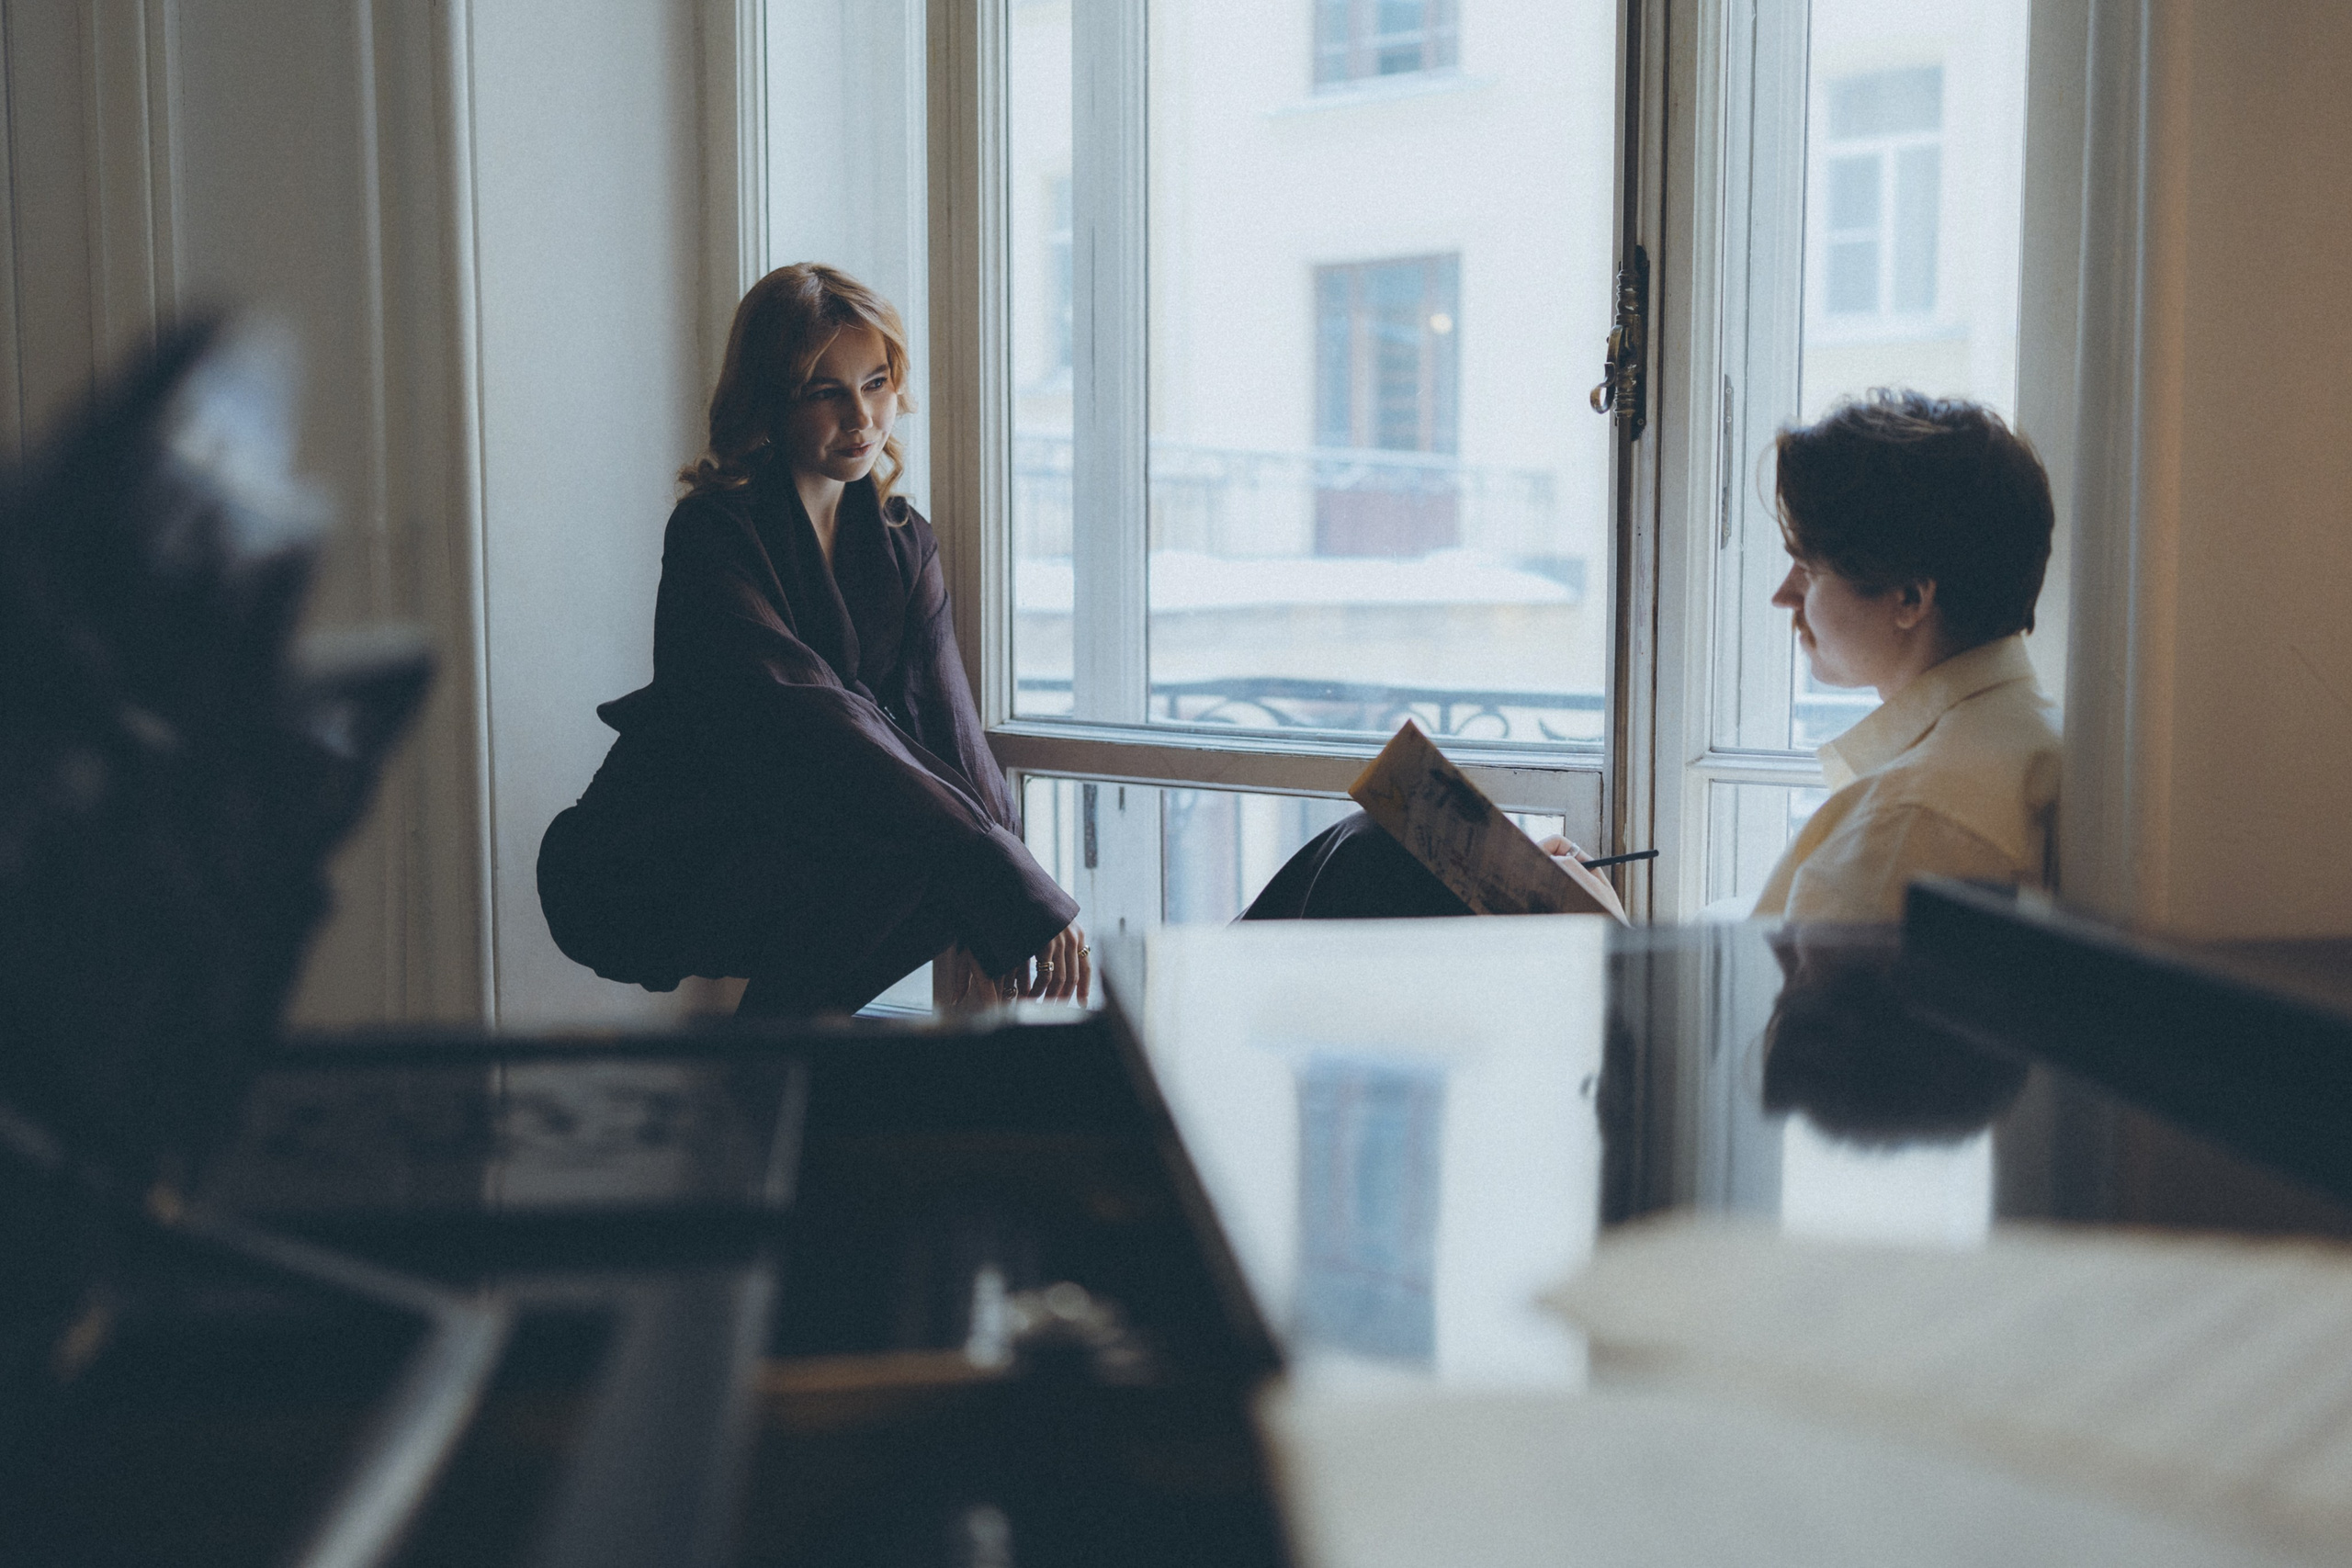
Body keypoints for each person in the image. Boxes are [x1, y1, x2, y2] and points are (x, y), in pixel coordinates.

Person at [1243, 388, 2057, 925]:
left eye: (1807, 567)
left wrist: (1606, 945)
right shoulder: (2008, 749)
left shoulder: (1911, 821)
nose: (1784, 597)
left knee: (1375, 857)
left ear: (1911, 597)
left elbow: (1754, 1074)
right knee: (1374, 852)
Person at [538, 264, 1088, 1015]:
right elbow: (811, 720)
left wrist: (1020, 879)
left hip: (790, 846)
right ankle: (760, 1082)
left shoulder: (903, 540)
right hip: (652, 856)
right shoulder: (711, 533)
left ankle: (763, 1085)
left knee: (943, 859)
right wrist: (1006, 882)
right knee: (927, 852)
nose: (861, 418)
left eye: (876, 383)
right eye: (826, 392)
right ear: (770, 400)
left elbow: (949, 725)